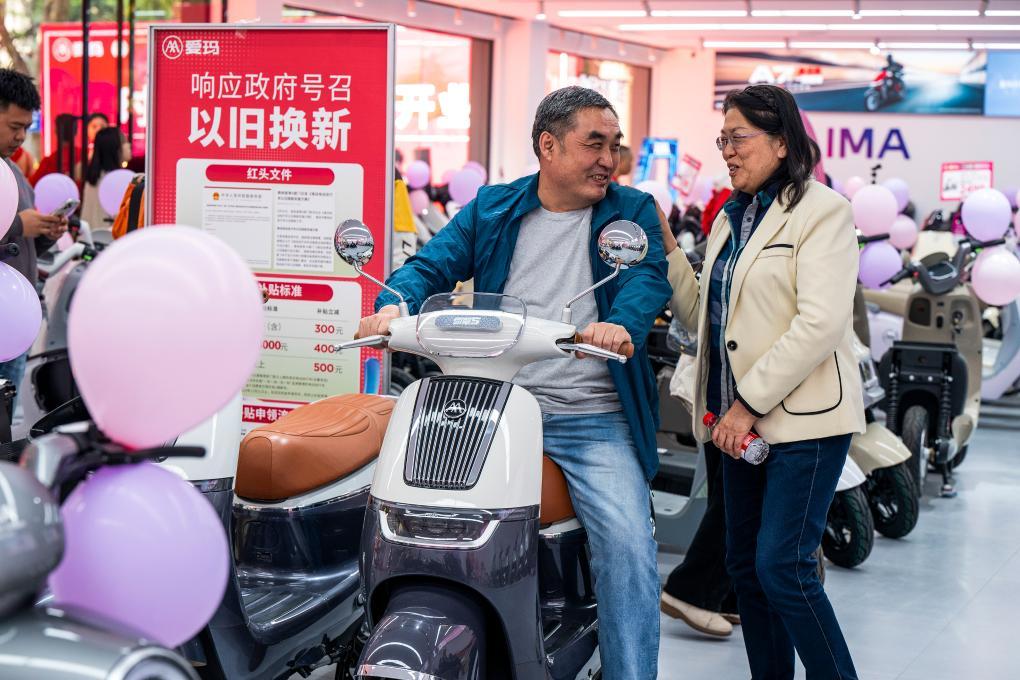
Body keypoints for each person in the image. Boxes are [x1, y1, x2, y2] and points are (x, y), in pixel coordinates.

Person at [356, 86, 671, 679]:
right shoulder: (493, 207)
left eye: (614, 146)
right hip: (490, 407)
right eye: (593, 144)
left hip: (587, 416)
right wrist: (393, 305)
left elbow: (647, 280)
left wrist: (620, 326)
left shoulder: (632, 213)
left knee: (628, 549)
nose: (609, 159)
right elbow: (432, 263)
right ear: (547, 146)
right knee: (406, 513)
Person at [663, 83, 865, 680]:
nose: (727, 150)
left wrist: (747, 404)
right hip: (734, 428)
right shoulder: (731, 218)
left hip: (802, 422)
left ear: (781, 141)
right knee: (746, 567)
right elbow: (706, 318)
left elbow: (820, 322)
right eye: (722, 138)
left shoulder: (824, 211)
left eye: (738, 138)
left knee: (784, 566)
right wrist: (669, 247)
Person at [0, 70, 67, 407]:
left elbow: (19, 245)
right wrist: (17, 226)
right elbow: (13, 231)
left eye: (27, 128)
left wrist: (43, 233)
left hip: (15, 323)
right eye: (15, 127)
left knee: (5, 423)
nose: (22, 137)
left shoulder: (13, 172)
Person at [81, 127, 128, 229]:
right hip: (112, 239)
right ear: (115, 148)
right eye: (125, 142)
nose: (129, 145)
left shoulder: (93, 178)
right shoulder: (120, 180)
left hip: (92, 237)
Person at [30, 113, 80, 185]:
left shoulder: (48, 162)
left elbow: (32, 186)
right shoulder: (86, 157)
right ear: (76, 131)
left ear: (56, 131)